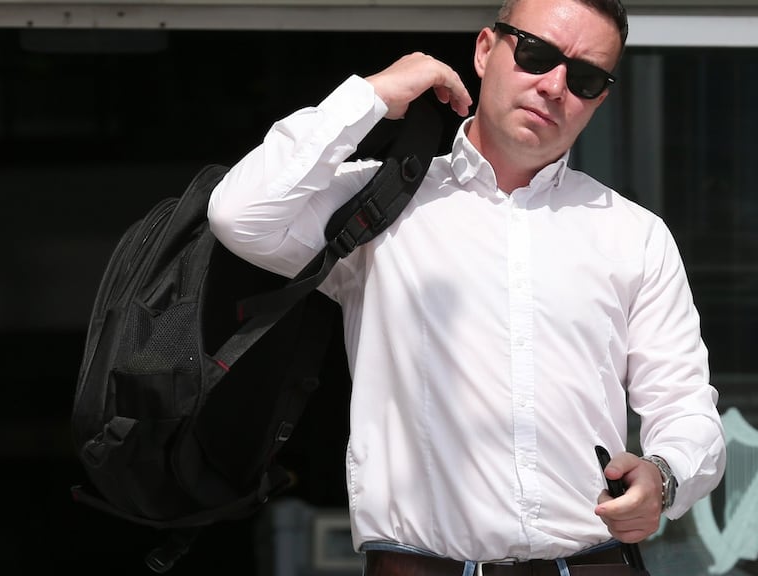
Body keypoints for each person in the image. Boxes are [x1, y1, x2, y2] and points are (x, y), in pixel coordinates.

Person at [208, 0, 726, 573]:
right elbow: (241, 215)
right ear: (485, 50)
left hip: (590, 561)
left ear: (600, 98)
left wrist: (665, 477)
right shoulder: (381, 206)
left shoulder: (634, 234)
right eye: (536, 55)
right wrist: (372, 95)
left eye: (584, 78)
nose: (554, 86)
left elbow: (684, 406)